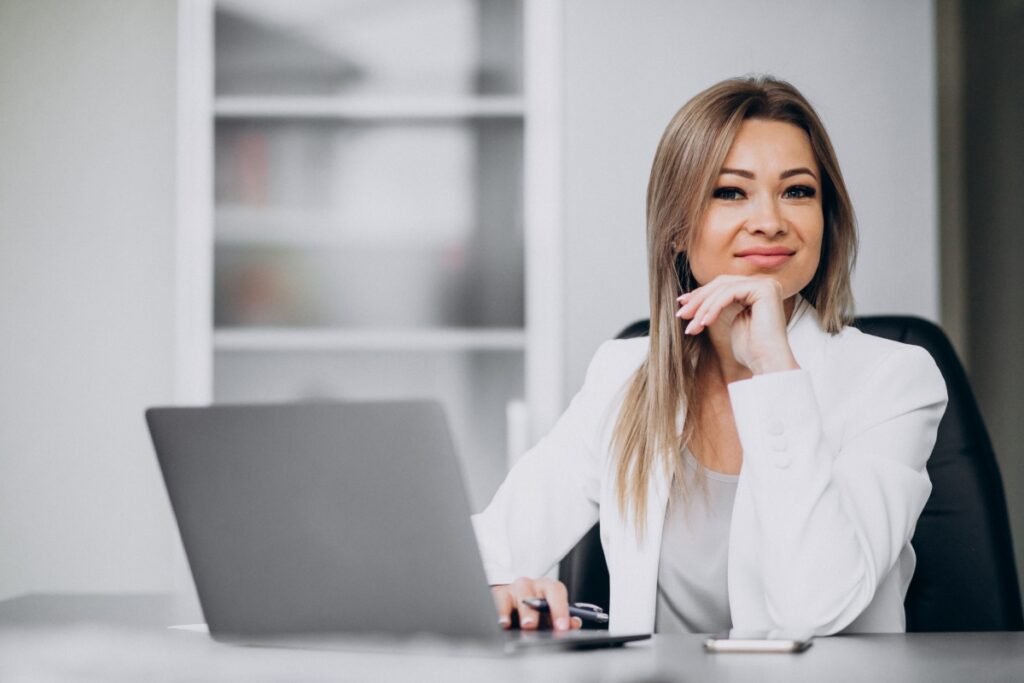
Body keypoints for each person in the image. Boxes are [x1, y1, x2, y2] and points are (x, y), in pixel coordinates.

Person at [471, 75, 948, 636]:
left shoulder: (893, 380)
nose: (770, 220)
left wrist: (774, 370)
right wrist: (504, 586)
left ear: (827, 219)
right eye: (730, 192)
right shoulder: (624, 374)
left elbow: (816, 610)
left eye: (798, 191)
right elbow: (489, 550)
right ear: (676, 228)